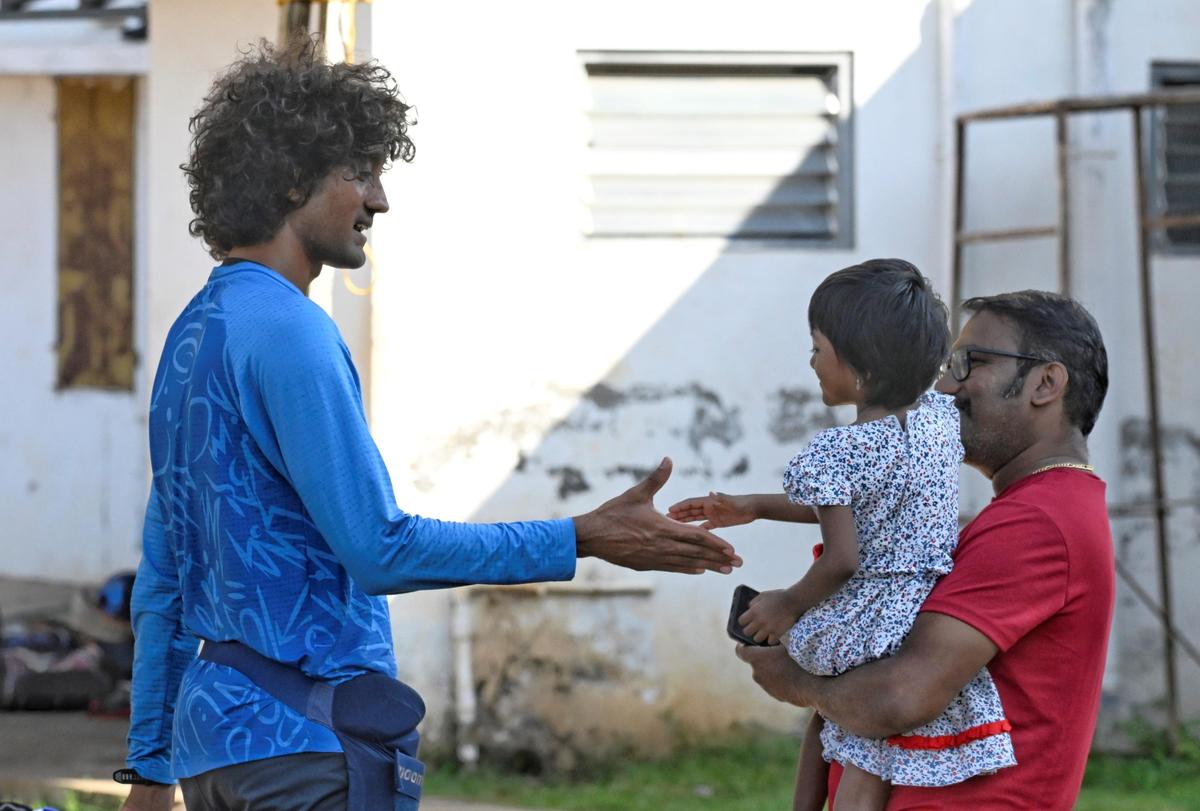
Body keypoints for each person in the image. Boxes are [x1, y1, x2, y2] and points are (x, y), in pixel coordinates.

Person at [117, 39, 741, 811]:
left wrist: (151, 769)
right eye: (360, 172)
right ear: (290, 178)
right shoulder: (292, 331)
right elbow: (379, 548)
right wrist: (580, 535)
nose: (379, 200)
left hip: (215, 754)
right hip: (306, 753)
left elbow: (165, 580)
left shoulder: (190, 338)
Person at [735, 290, 1113, 810]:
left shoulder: (1036, 521)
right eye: (947, 365)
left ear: (1045, 384)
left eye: (970, 363)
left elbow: (900, 697)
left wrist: (795, 680)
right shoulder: (1037, 507)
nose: (945, 386)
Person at [670, 260, 1015, 810]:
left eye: (817, 348)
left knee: (847, 729)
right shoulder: (937, 419)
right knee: (855, 733)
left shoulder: (840, 450)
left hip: (869, 613)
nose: (811, 362)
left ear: (861, 369)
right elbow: (866, 510)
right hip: (926, 607)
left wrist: (787, 604)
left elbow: (842, 559)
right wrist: (753, 506)